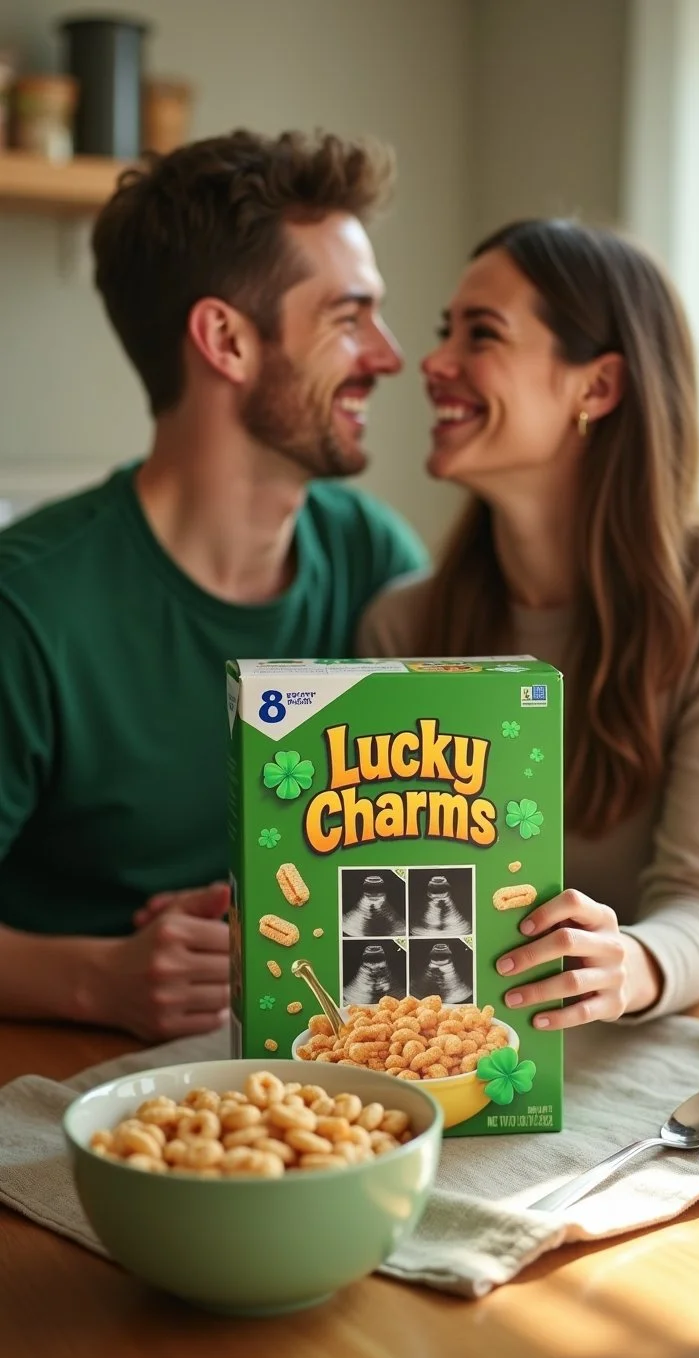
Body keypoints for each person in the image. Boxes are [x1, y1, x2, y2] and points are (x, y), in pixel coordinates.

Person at [0, 129, 427, 1041]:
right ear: (226, 340)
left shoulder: (375, 562)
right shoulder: (27, 609)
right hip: (71, 1085)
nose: (389, 357)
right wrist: (90, 978)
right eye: (348, 318)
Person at [359, 217, 699, 1025]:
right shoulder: (401, 627)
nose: (433, 363)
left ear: (598, 386)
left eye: (482, 334)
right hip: (509, 1005)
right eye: (447, 332)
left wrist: (628, 966)